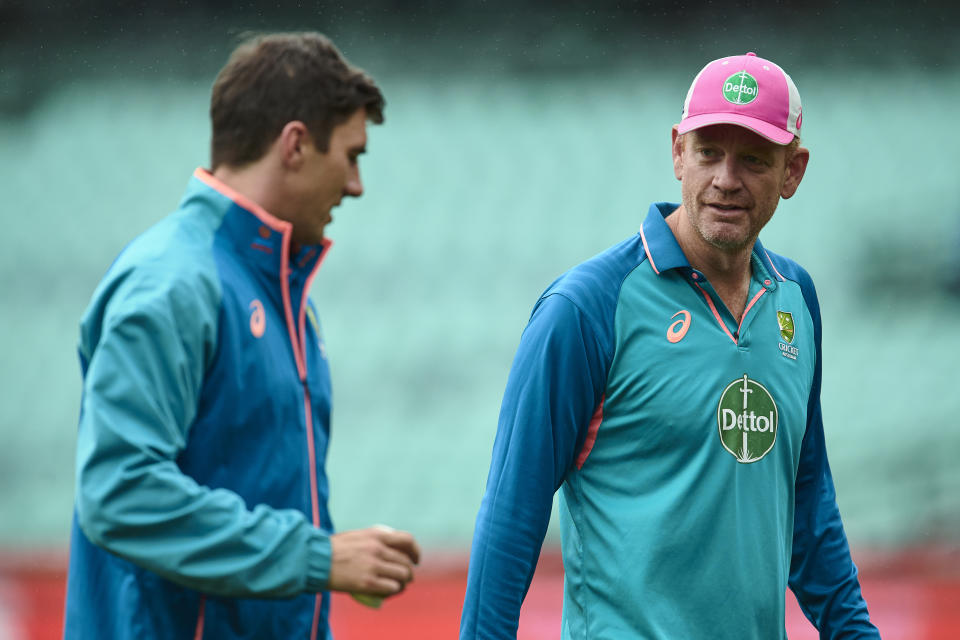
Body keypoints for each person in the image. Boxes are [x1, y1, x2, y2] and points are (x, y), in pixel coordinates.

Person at [460, 52, 880, 639]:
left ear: (794, 171)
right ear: (677, 152)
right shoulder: (586, 308)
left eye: (754, 159)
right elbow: (511, 514)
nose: (726, 179)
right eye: (709, 152)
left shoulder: (796, 301)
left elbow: (807, 504)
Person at [63, 32, 420, 639]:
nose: (357, 184)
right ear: (296, 144)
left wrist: (321, 563)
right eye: (352, 155)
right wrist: (317, 557)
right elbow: (119, 490)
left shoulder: (284, 298)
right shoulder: (171, 284)